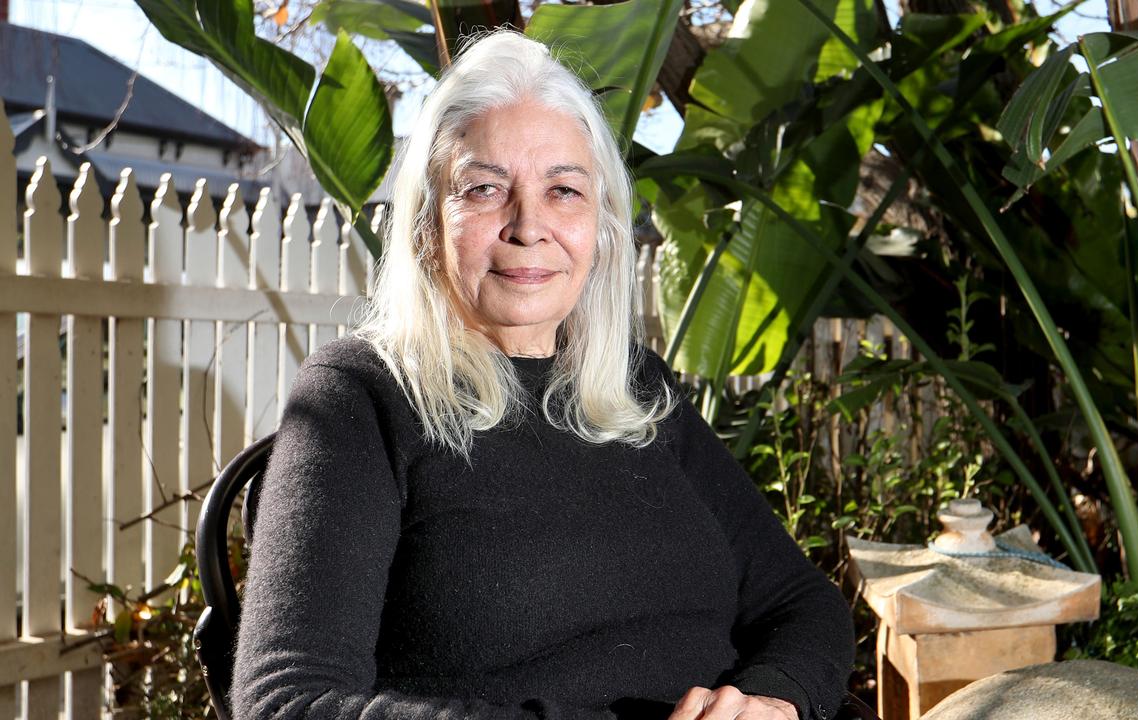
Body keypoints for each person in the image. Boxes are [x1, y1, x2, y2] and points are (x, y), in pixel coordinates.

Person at [230, 29, 854, 720]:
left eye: (563, 189)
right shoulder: (361, 396)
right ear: (427, 226)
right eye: (485, 188)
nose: (530, 226)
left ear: (602, 226)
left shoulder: (633, 387)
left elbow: (802, 603)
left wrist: (773, 701)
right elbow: (287, 702)